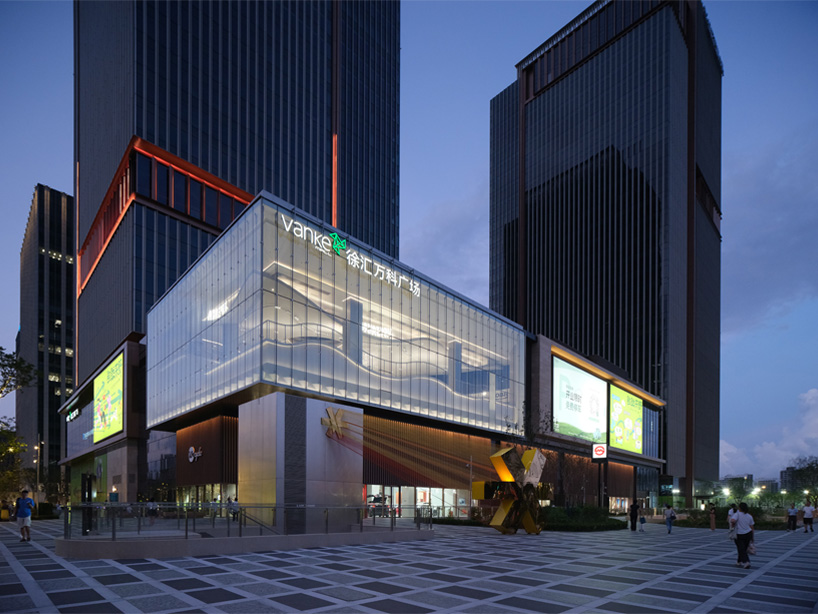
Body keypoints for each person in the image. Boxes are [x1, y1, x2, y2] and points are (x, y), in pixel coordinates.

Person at [731, 501, 754, 569]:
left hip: (739, 534)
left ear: (740, 508)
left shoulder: (737, 514)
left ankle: (746, 562)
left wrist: (733, 524)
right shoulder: (749, 516)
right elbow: (752, 526)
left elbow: (732, 520)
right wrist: (752, 537)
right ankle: (739, 561)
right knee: (742, 548)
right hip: (748, 534)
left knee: (741, 549)